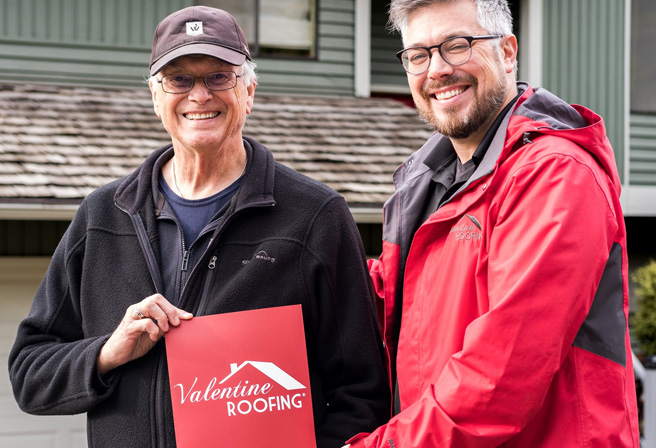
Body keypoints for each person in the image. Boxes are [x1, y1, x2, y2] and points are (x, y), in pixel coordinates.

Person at [9, 6, 390, 448]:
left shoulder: (314, 216)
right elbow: (29, 373)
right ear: (156, 96)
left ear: (248, 91)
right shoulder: (102, 217)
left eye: (219, 77)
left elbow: (363, 394)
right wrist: (107, 352)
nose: (200, 95)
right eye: (179, 80)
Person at [344, 0, 640, 447]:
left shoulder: (555, 174)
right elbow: (385, 302)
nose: (437, 70)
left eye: (457, 45)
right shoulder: (426, 185)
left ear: (507, 51)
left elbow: (500, 375)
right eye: (419, 55)